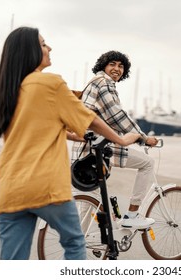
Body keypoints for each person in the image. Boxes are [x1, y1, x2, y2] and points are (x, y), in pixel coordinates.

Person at [0, 27, 140, 260]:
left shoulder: (7, 90)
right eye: (43, 44)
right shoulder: (50, 84)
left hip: (9, 186)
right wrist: (121, 139)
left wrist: (69, 133)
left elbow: (37, 129)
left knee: (12, 260)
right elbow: (90, 119)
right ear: (30, 51)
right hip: (44, 184)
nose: (49, 48)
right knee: (74, 243)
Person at [69, 50, 159, 229]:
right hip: (96, 147)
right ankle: (132, 215)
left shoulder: (94, 83)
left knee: (89, 203)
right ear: (103, 66)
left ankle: (78, 249)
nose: (117, 69)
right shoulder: (104, 83)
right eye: (112, 64)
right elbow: (117, 116)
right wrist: (143, 138)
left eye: (121, 66)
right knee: (147, 163)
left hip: (90, 146)